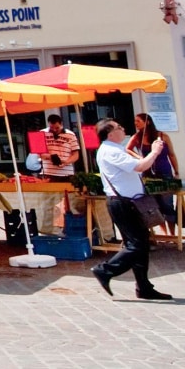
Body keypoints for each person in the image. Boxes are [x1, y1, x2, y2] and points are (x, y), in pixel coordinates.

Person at [93, 118, 173, 300]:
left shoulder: (115, 149)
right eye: (119, 127)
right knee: (138, 244)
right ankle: (105, 270)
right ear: (110, 134)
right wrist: (154, 152)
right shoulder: (111, 151)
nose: (123, 129)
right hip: (123, 203)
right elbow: (140, 166)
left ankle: (143, 286)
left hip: (129, 201)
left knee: (140, 243)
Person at [129, 112, 178, 234]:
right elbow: (127, 149)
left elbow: (171, 154)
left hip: (165, 173)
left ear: (147, 122)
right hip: (148, 174)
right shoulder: (137, 137)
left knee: (168, 204)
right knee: (154, 205)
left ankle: (172, 234)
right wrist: (138, 157)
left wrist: (176, 170)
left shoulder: (162, 136)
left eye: (138, 121)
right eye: (135, 121)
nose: (136, 123)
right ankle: (165, 233)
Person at [42, 114, 80, 181]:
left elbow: (76, 155)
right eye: (51, 128)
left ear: (61, 124)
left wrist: (66, 162)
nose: (54, 130)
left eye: (57, 128)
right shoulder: (41, 133)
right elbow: (38, 153)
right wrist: (50, 157)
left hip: (67, 173)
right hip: (48, 172)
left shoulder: (70, 134)